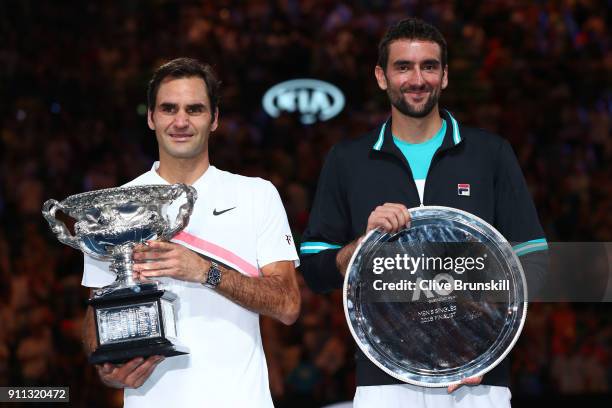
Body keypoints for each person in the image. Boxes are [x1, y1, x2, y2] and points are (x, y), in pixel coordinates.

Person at [299, 18, 548, 407]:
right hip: (385, 380)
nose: (417, 79)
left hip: (476, 381)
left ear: (445, 76)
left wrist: (488, 345)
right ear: (382, 77)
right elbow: (314, 269)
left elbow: (532, 258)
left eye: (429, 66)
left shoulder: (490, 153)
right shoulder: (348, 160)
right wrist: (362, 247)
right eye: (403, 67)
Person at [82, 57, 301, 407]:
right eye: (169, 109)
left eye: (194, 109)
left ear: (214, 119)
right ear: (151, 117)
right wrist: (105, 365)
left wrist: (204, 272)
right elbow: (97, 313)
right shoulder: (114, 208)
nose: (181, 121)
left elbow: (288, 304)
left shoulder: (256, 194)